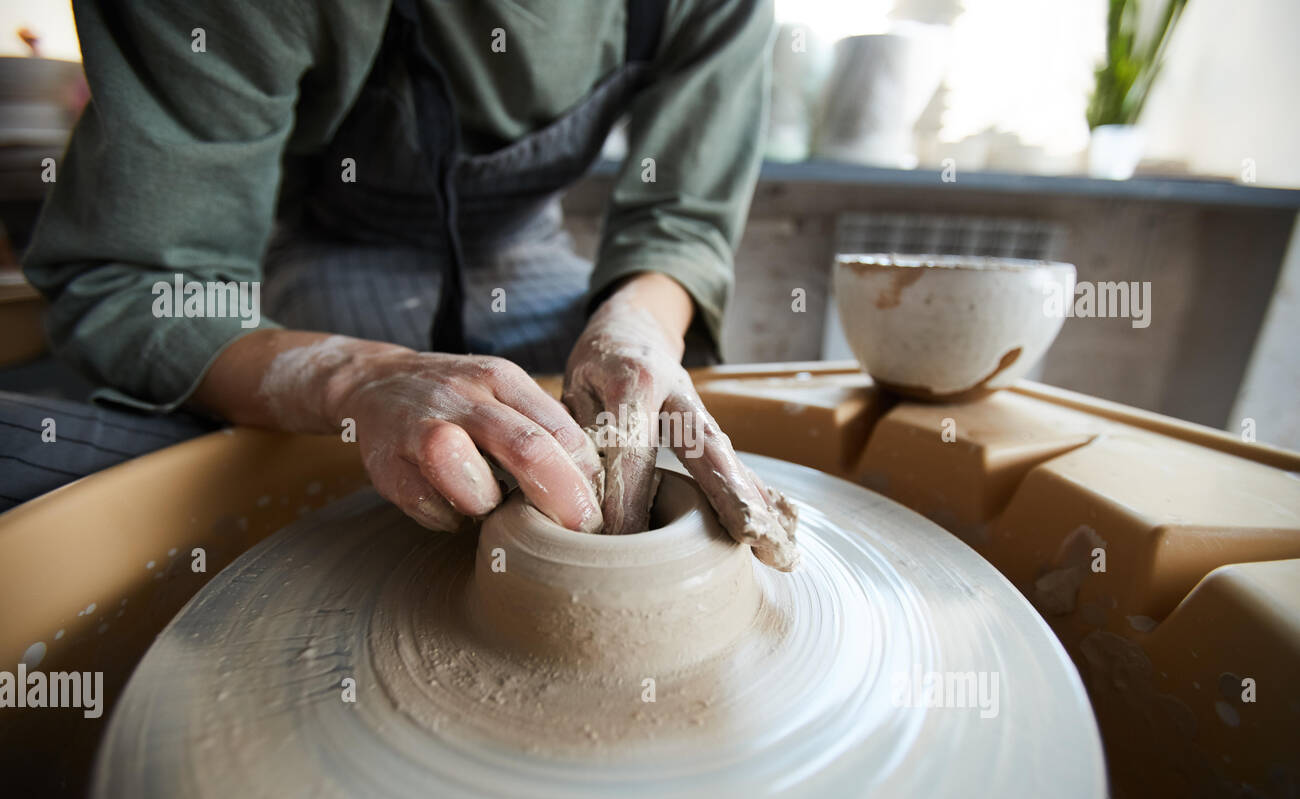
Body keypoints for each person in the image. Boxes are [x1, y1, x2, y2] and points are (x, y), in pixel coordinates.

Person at [13, 0, 796, 570]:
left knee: (625, 417)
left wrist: (639, 326)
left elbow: (678, 222)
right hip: (334, 241)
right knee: (338, 492)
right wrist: (354, 377)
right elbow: (146, 283)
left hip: (525, 241)